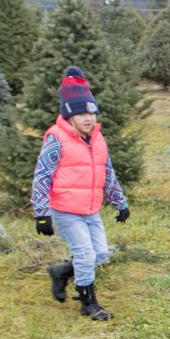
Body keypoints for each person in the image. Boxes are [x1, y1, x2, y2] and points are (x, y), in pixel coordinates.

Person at [32, 66, 130, 321]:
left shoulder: (97, 138)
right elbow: (42, 175)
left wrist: (120, 202)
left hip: (91, 209)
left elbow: (107, 172)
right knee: (85, 255)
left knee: (99, 255)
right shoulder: (56, 139)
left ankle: (62, 272)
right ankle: (88, 303)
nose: (88, 118)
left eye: (91, 112)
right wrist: (41, 214)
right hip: (66, 210)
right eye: (81, 113)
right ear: (69, 116)